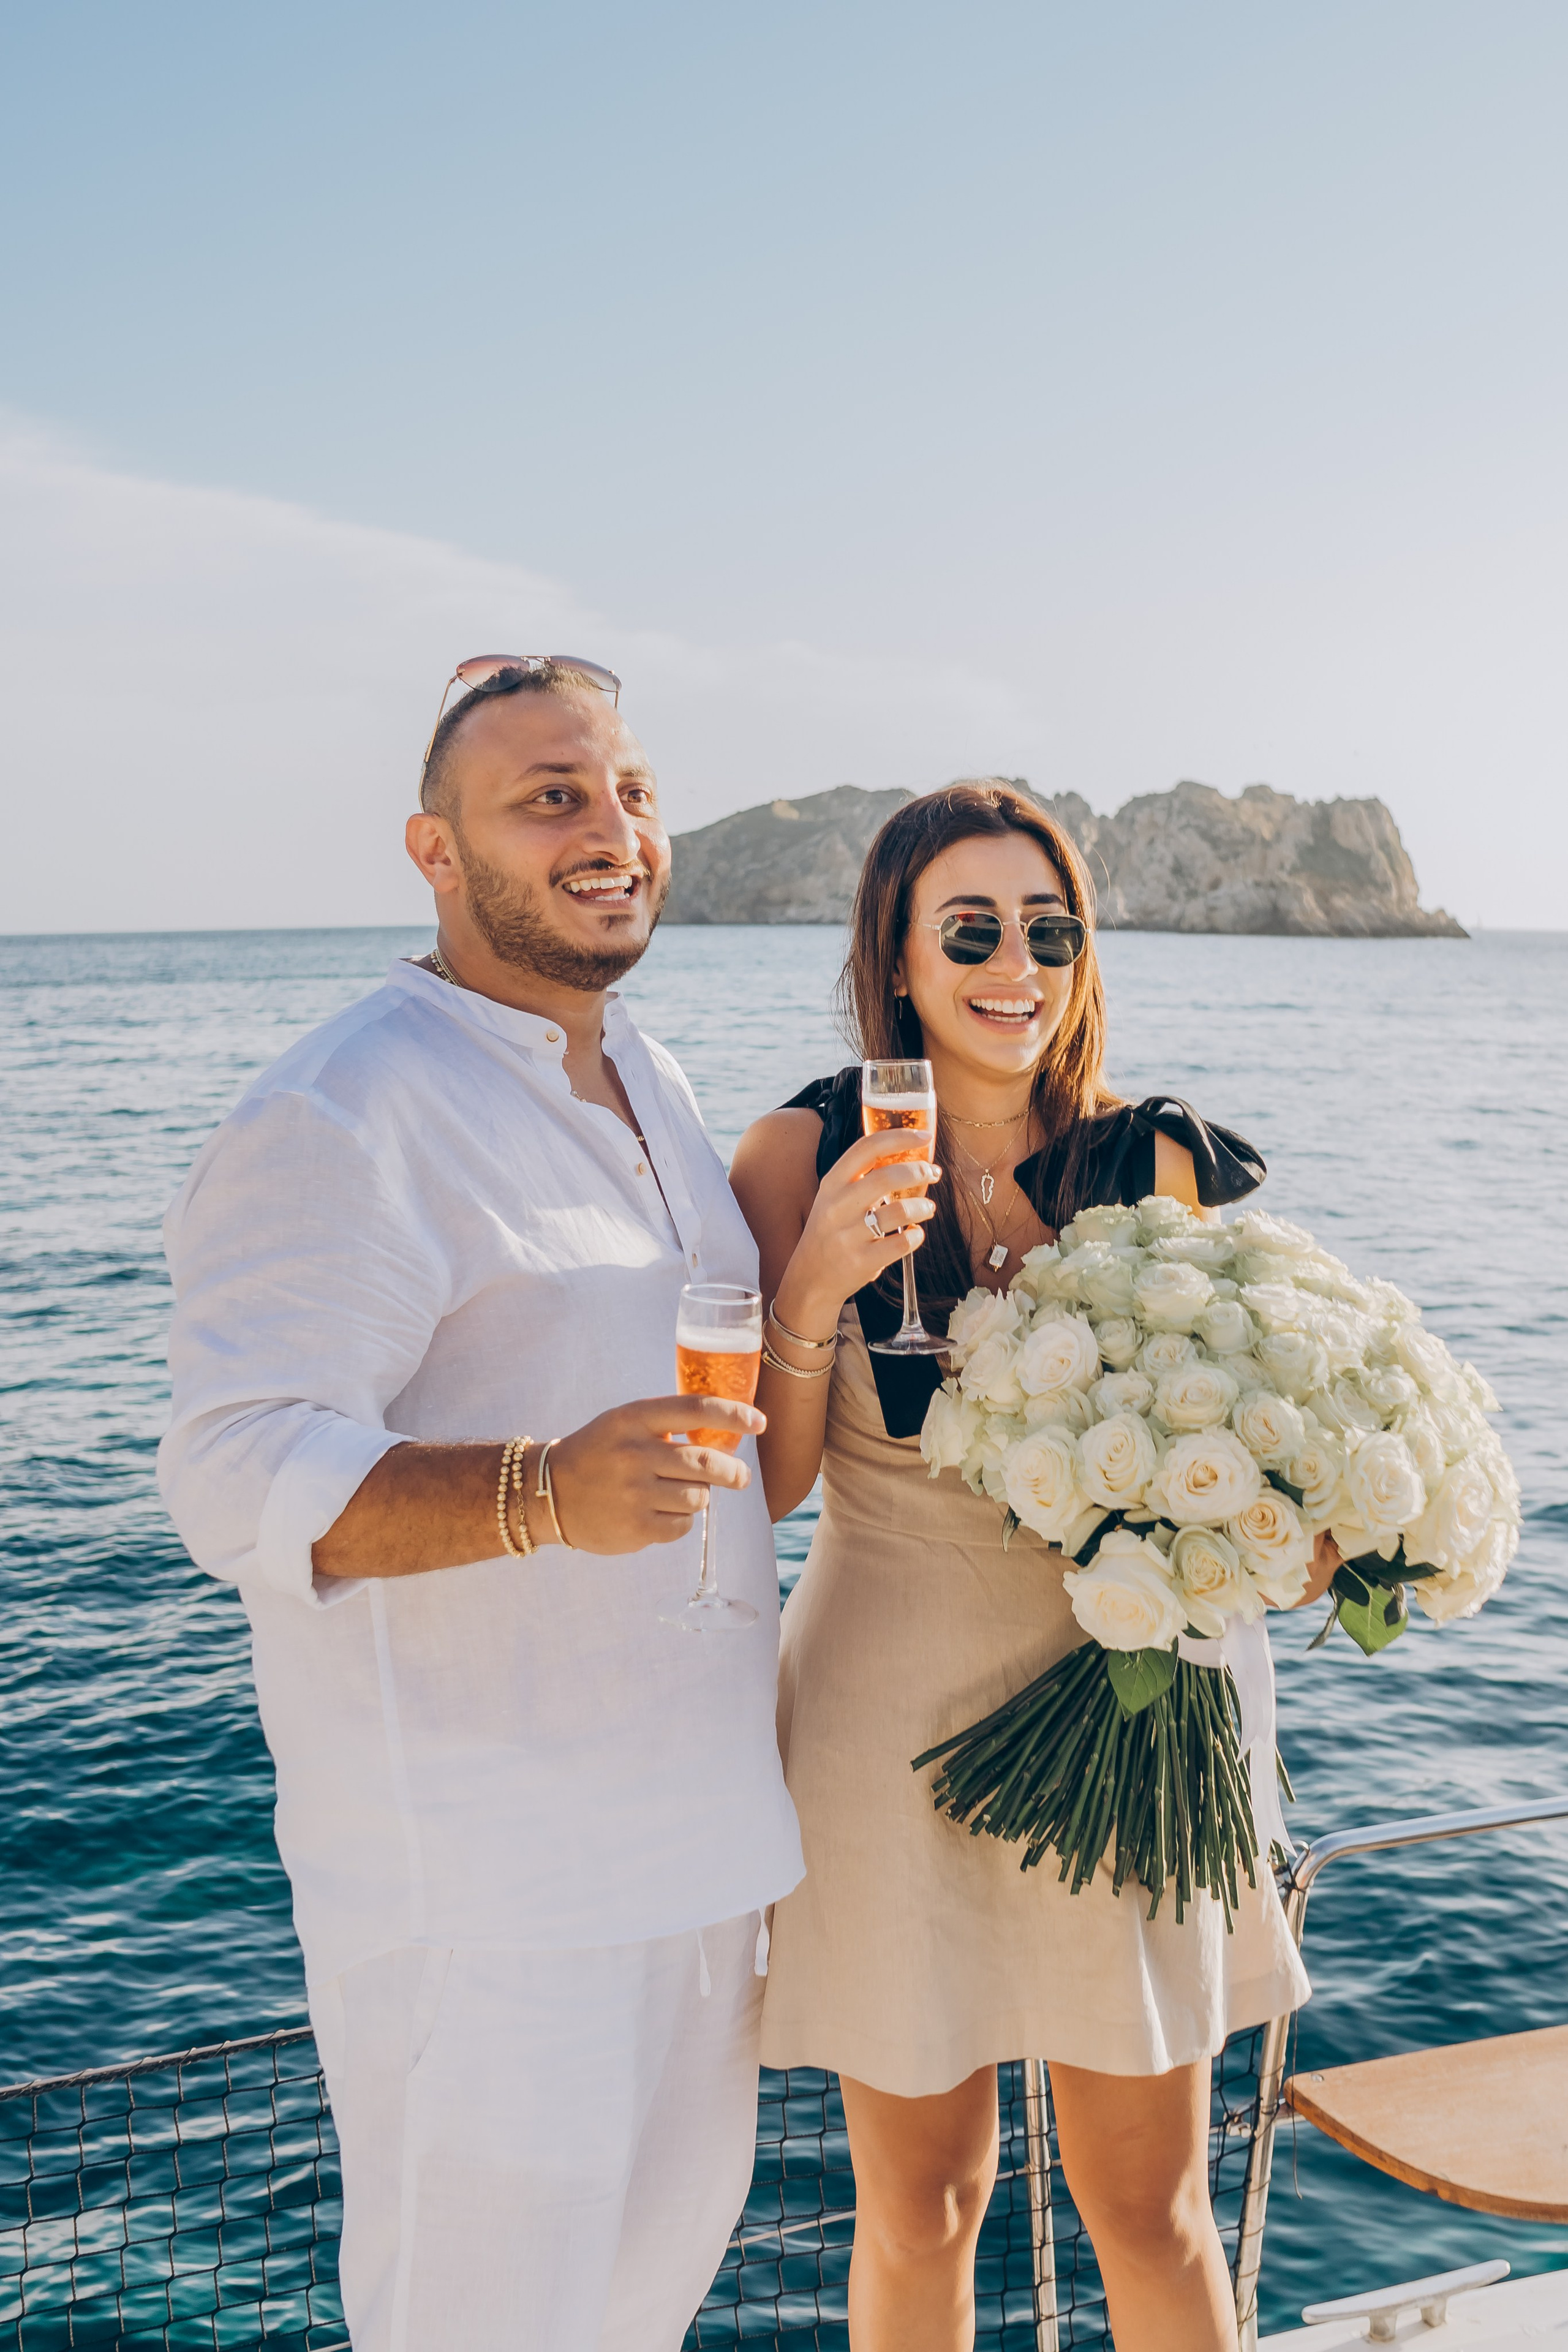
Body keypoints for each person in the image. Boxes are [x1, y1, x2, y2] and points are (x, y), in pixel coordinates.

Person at [158, 657, 803, 2352]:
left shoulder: (645, 1080)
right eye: (553, 798)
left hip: (700, 1857)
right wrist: (539, 1494)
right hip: (493, 1900)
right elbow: (231, 1470)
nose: (615, 833)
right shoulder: (343, 1108)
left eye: (633, 793)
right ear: (435, 852)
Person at [728, 783, 1327, 2352]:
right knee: (918, 2211)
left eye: (1048, 929)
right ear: (901, 959)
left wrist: (1310, 1532)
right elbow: (769, 1485)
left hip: (1127, 1718)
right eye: (972, 929)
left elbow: (1264, 1440)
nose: (1017, 963)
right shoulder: (797, 1152)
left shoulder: (1153, 1165)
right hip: (882, 1719)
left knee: (1149, 2205)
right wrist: (811, 1285)